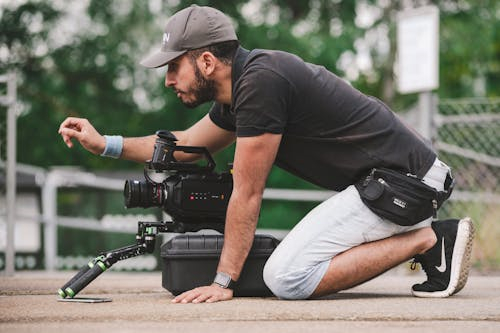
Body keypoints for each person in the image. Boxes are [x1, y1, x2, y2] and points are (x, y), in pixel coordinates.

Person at [59, 5, 474, 303]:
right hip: (391, 183)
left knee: (287, 278)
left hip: (406, 184)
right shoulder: (242, 90)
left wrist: (224, 282)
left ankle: (430, 237)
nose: (168, 80)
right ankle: (425, 239)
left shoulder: (261, 84)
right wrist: (105, 143)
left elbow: (248, 192)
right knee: (290, 269)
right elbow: (185, 147)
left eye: (173, 67)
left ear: (205, 61)